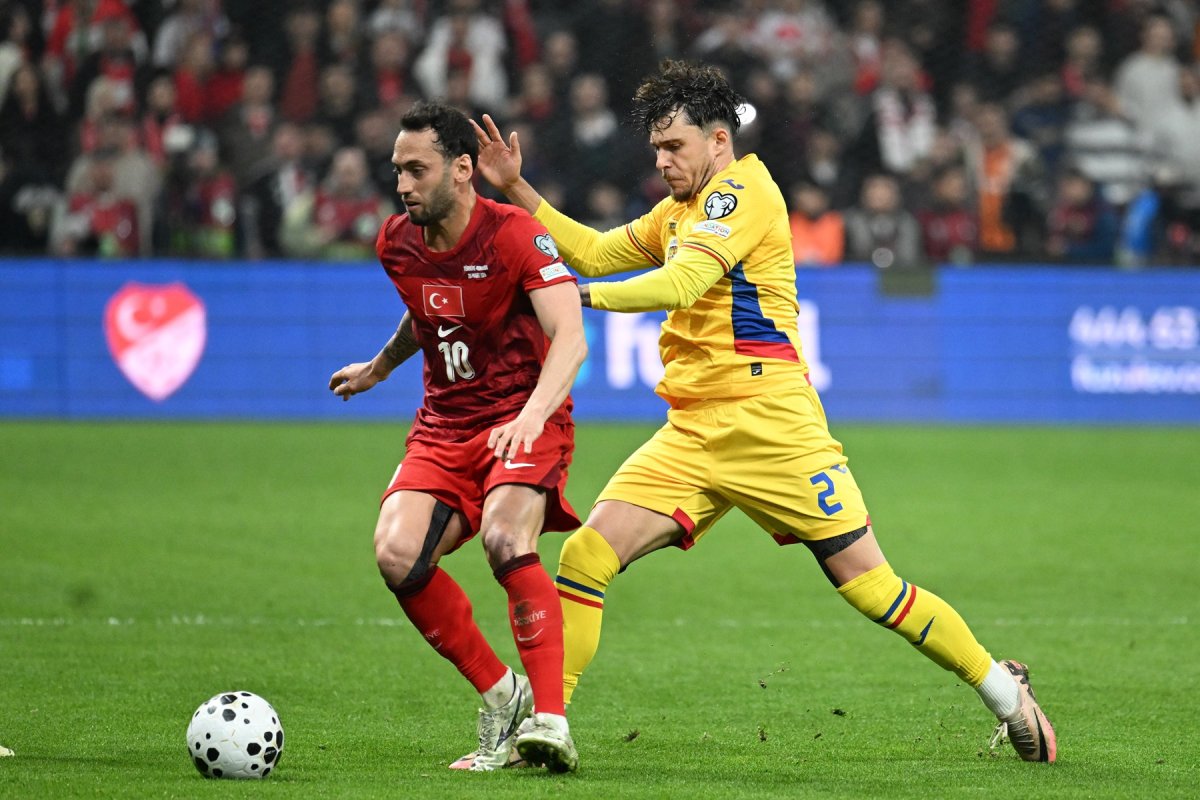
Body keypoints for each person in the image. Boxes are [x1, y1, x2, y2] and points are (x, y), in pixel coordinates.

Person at [472, 60, 1057, 765]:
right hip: (692, 427)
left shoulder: (743, 193)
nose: (661, 162)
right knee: (587, 553)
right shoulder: (677, 211)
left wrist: (570, 301)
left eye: (674, 146)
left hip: (771, 424)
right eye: (656, 149)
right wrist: (517, 189)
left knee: (872, 588)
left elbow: (682, 283)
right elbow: (595, 252)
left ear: (719, 139)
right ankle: (546, 726)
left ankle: (1005, 691)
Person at [329, 101, 587, 773]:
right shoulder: (396, 242)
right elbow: (426, 311)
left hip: (522, 415)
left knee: (506, 538)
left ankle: (551, 720)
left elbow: (571, 335)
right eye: (397, 170)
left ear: (463, 169)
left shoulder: (515, 234)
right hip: (444, 427)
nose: (402, 185)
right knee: (396, 555)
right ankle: (503, 695)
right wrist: (380, 367)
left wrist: (533, 415)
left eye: (417, 170)